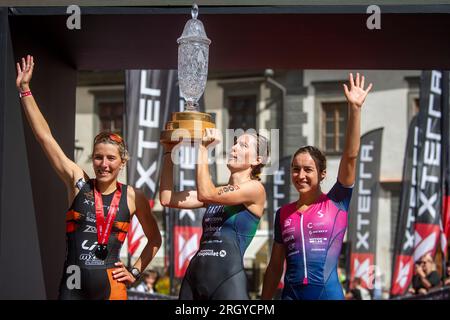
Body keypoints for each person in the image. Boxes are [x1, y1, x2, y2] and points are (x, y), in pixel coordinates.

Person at [16, 55, 162, 300]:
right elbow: (45, 138)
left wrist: (135, 271)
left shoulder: (133, 196)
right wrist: (24, 90)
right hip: (73, 284)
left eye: (110, 158)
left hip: (110, 284)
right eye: (98, 157)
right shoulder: (78, 181)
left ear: (122, 162)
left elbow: (155, 239)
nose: (103, 164)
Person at [261, 73, 372, 300]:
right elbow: (274, 267)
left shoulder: (337, 202)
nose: (300, 175)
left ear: (322, 174)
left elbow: (350, 157)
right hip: (290, 296)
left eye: (308, 170)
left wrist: (355, 109)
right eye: (295, 169)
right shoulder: (283, 214)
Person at [160, 129, 269, 300]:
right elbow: (167, 199)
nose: (234, 148)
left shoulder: (255, 189)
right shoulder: (216, 192)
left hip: (227, 279)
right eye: (235, 143)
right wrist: (168, 151)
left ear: (257, 160)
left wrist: (203, 148)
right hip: (194, 276)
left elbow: (206, 194)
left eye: (243, 145)